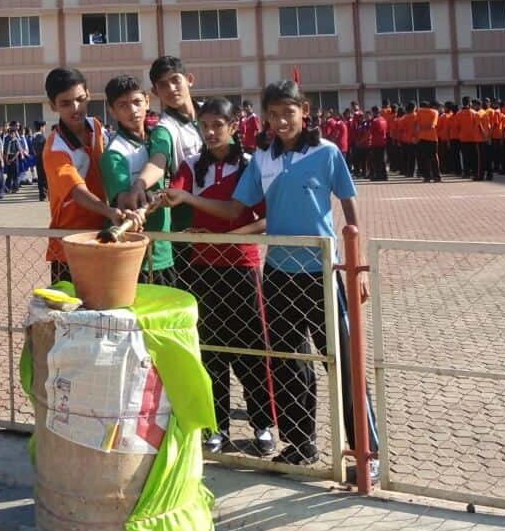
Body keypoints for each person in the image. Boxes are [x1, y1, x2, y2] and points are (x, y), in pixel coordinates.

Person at [165, 79, 380, 482]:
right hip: (278, 273)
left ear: (305, 111)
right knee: (287, 365)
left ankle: (366, 453)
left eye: (289, 112)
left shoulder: (326, 153)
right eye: (274, 114)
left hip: (322, 271)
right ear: (264, 117)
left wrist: (357, 261)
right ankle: (300, 444)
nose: (281, 121)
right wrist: (189, 199)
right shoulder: (261, 159)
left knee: (346, 364)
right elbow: (234, 210)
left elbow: (349, 206)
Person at [168, 97, 274, 457]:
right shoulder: (191, 164)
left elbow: (263, 218)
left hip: (242, 268)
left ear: (234, 126)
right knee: (210, 350)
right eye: (205, 125)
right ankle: (217, 425)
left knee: (251, 349)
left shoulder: (250, 166)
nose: (211, 132)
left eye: (218, 125)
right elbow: (174, 192)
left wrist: (235, 236)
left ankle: (262, 424)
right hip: (203, 269)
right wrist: (155, 199)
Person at [42, 67, 143, 283]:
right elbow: (77, 192)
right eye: (65, 103)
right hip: (69, 244)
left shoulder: (96, 126)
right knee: (73, 312)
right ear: (52, 106)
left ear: (88, 94)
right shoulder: (55, 149)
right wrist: (109, 210)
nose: (76, 108)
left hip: (103, 234)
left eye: (80, 99)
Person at [99, 74, 175, 286]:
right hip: (136, 258)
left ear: (147, 101)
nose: (133, 110)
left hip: (165, 250)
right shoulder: (114, 154)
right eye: (123, 105)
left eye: (137, 102)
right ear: (112, 111)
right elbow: (125, 202)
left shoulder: (158, 138)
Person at [121, 57, 203, 239]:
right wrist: (139, 185)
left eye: (175, 80)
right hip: (189, 223)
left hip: (225, 213)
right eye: (163, 85)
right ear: (155, 91)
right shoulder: (165, 129)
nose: (171, 89)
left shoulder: (212, 113)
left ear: (189, 79)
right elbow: (158, 161)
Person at [414, 100, 441, 183]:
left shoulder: (419, 112)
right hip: (432, 138)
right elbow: (432, 125)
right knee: (434, 158)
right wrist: (425, 128)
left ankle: (427, 177)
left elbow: (416, 125)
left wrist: (417, 135)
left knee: (425, 158)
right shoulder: (435, 112)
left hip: (422, 138)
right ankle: (437, 176)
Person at [31, 121, 48, 201]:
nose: (45, 129)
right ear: (41, 127)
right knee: (44, 178)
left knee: (40, 177)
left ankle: (42, 194)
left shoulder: (34, 137)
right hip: (43, 159)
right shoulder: (41, 137)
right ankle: (44, 195)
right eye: (44, 127)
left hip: (38, 159)